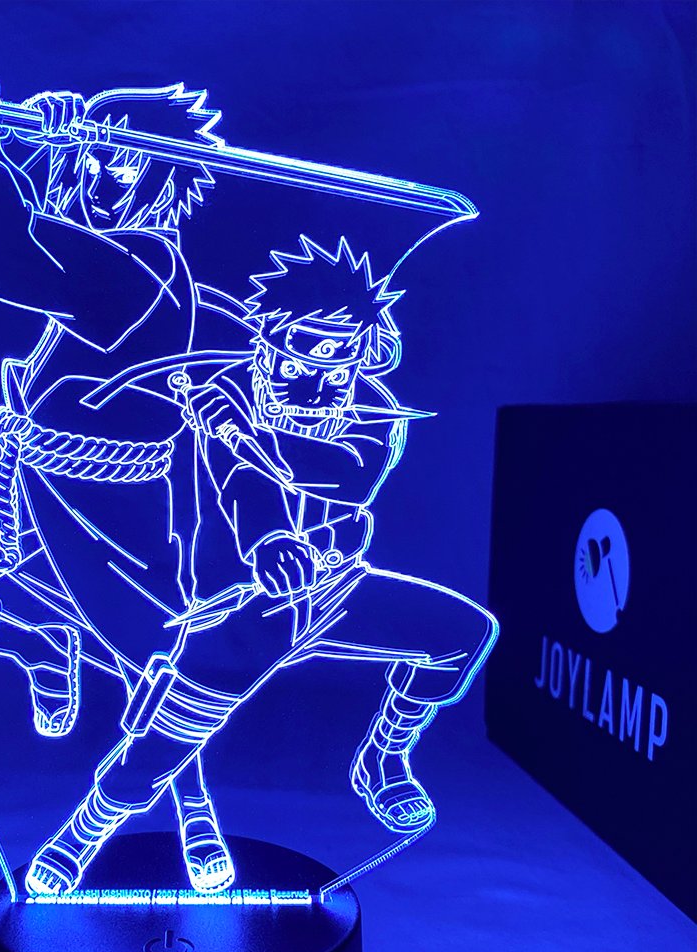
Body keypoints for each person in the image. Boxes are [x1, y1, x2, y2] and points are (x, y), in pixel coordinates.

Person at [25, 236, 498, 896]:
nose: (315, 387)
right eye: (297, 363)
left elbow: (346, 475)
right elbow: (242, 483)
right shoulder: (222, 392)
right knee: (171, 734)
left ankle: (384, 757)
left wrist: (249, 432)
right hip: (241, 600)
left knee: (463, 633)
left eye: (337, 370)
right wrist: (270, 540)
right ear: (266, 344)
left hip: (335, 586)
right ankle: (85, 831)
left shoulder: (374, 414)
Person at [0, 79, 237, 890]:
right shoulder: (112, 253)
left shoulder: (147, 269)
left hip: (111, 508)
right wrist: (30, 152)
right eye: (94, 160)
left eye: (122, 164)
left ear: (167, 177)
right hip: (26, 477)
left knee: (155, 665)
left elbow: (14, 260)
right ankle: (41, 641)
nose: (100, 177)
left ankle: (194, 816)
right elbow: (50, 246)